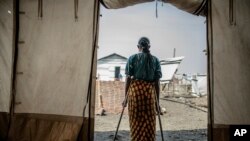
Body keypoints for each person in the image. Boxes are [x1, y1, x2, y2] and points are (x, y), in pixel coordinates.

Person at [123, 37, 162, 141]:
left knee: (136, 122)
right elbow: (157, 83)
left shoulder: (132, 58)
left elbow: (128, 79)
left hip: (135, 94)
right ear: (149, 47)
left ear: (138, 47)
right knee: (149, 123)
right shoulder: (155, 60)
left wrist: (125, 99)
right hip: (149, 94)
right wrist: (157, 103)